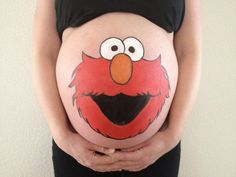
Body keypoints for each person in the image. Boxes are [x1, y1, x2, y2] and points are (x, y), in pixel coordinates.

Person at [32, 0, 202, 176]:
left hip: (157, 150)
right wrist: (62, 136)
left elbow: (188, 52)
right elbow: (45, 53)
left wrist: (171, 135)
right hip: (77, 149)